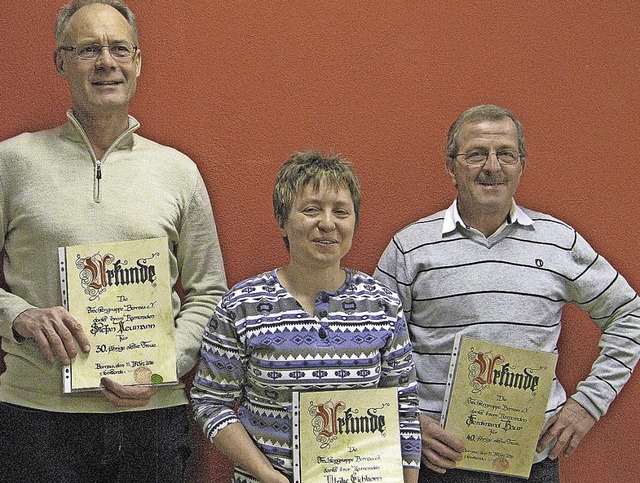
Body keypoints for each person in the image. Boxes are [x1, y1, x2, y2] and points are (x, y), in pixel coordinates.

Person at [0, 1, 227, 481]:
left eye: (118, 48)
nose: (106, 61)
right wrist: (18, 316)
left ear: (138, 61)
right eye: (87, 49)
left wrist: (164, 366)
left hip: (152, 419)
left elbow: (210, 293)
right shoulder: (12, 162)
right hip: (36, 417)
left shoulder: (177, 171)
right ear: (61, 62)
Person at [374, 104, 640, 483]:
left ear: (521, 166)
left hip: (532, 464)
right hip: (436, 465)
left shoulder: (558, 242)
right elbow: (371, 345)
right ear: (451, 167)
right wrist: (407, 421)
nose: (492, 167)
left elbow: (630, 315)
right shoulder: (410, 247)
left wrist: (589, 405)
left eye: (506, 155)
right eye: (476, 154)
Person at [191, 150, 421, 483]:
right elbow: (210, 402)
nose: (327, 223)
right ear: (283, 221)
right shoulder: (241, 305)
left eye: (341, 211)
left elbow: (404, 408)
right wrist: (267, 475)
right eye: (311, 209)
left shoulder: (383, 306)